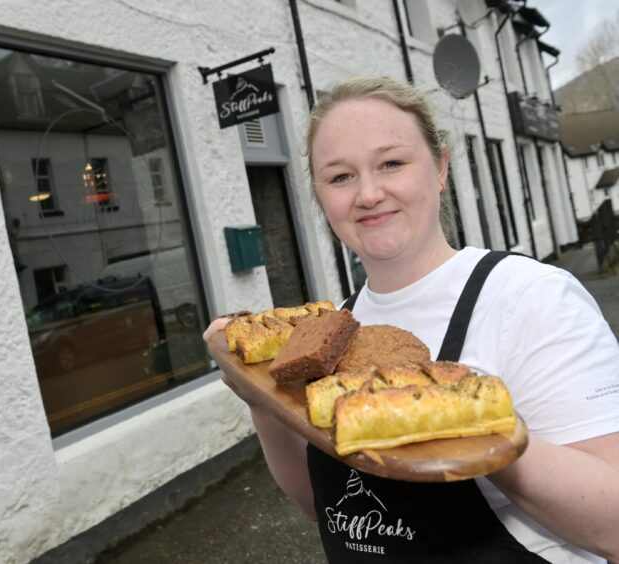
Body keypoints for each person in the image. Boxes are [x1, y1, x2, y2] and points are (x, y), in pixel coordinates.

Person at [204, 76, 619, 563]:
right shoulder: (331, 331)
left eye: (391, 163)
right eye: (340, 176)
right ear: (320, 196)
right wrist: (255, 391)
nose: (369, 193)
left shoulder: (529, 297)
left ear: (440, 167)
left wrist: (471, 426)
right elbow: (322, 506)